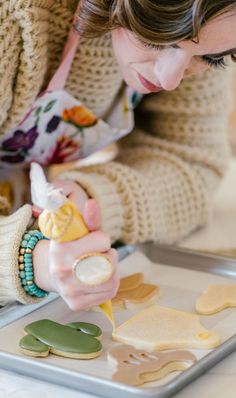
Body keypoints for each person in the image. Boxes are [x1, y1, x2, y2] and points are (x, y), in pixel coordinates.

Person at [0, 0, 235, 310]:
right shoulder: (13, 19)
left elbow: (191, 161)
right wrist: (23, 260)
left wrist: (91, 200)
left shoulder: (212, 21)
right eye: (156, 38)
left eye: (213, 58)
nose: (170, 80)